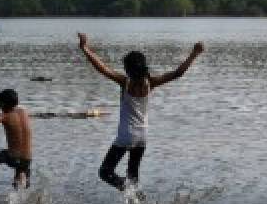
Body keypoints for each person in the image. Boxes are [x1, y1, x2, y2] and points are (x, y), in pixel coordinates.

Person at [77, 33, 204, 192]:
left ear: (128, 69)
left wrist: (84, 48)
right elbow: (178, 73)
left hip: (126, 136)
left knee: (105, 172)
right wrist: (194, 53)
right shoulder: (151, 82)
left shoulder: (125, 82)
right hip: (142, 137)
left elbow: (102, 68)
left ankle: (129, 190)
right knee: (133, 177)